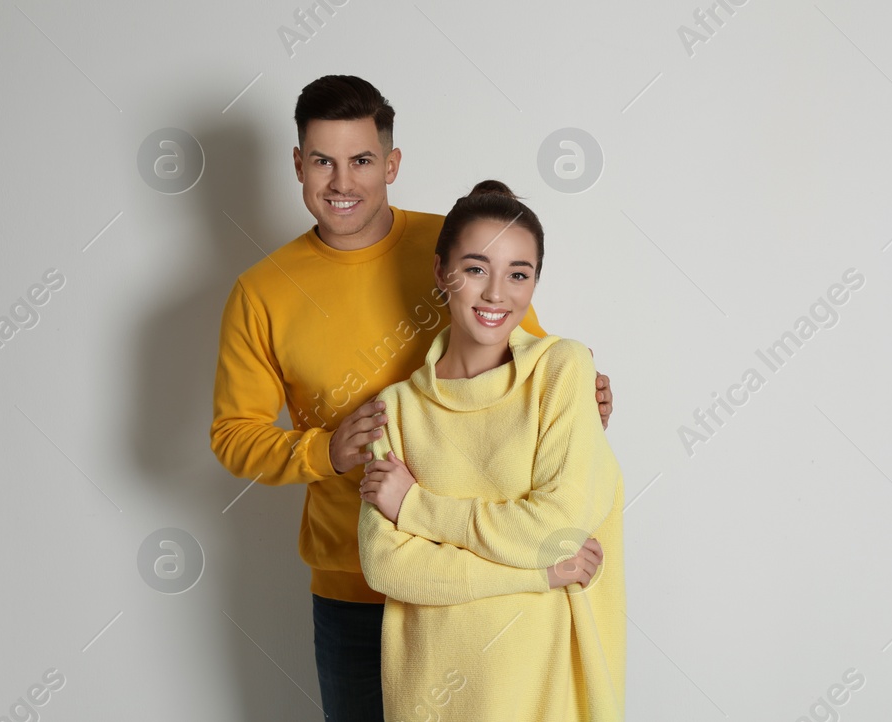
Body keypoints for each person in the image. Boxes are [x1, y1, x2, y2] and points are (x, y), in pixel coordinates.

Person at [208, 75, 613, 721]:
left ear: (391, 163)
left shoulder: (458, 243)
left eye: (362, 160)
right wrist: (327, 451)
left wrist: (582, 399)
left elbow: (529, 361)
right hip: (354, 578)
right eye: (322, 161)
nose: (342, 182)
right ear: (297, 165)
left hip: (486, 573)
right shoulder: (261, 292)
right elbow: (234, 434)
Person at [357, 180, 624, 720]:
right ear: (441, 274)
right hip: (429, 690)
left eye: (518, 274)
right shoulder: (397, 408)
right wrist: (538, 574)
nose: (497, 293)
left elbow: (559, 529)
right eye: (476, 269)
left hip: (541, 686)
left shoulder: (561, 370)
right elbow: (387, 566)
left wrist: (417, 509)